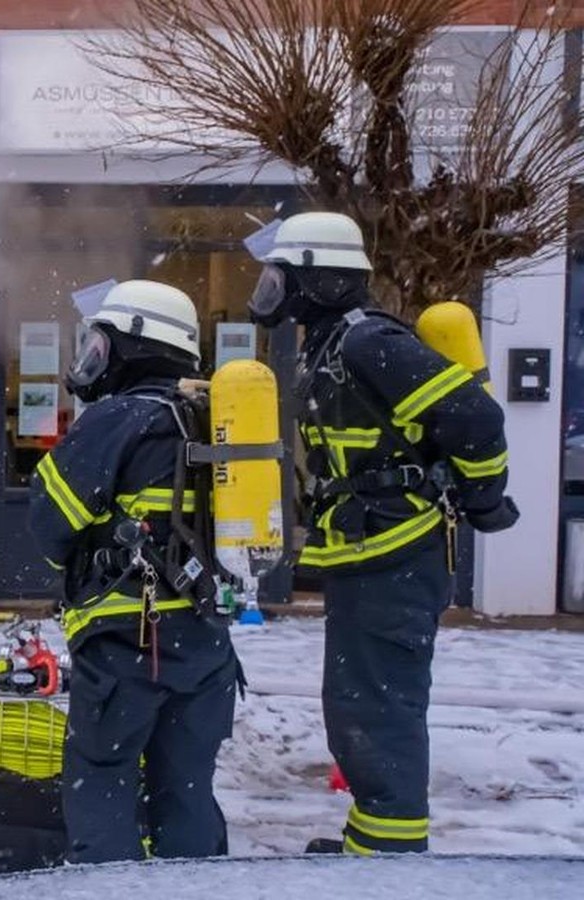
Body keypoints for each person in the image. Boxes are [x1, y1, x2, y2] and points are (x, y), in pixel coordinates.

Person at [248, 212, 516, 855]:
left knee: (378, 710)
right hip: (367, 555)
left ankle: (390, 862)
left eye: (283, 275)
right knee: (358, 705)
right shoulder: (333, 342)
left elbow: (474, 418)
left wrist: (481, 497)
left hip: (394, 556)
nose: (273, 289)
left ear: (323, 278)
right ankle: (373, 845)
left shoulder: (369, 342)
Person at [28, 279, 240, 863]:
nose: (93, 358)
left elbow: (50, 521)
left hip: (128, 643)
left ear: (134, 345)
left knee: (102, 781)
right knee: (187, 789)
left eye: (102, 344)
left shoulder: (119, 417)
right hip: (206, 643)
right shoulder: (211, 419)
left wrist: (72, 565)